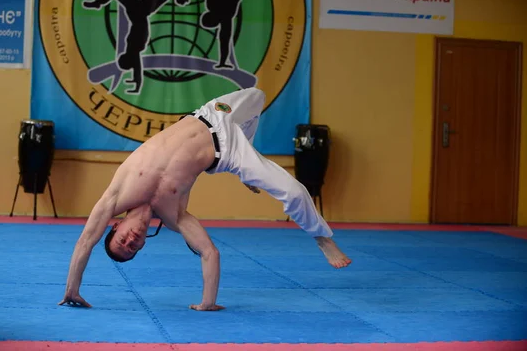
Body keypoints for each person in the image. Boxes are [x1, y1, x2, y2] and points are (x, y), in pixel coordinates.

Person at [58, 87, 352, 311]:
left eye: (122, 241)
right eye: (133, 248)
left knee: (258, 94)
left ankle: (250, 171)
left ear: (114, 227)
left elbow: (85, 240)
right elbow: (210, 252)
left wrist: (72, 289)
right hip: (228, 154)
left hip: (212, 114)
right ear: (143, 244)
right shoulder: (174, 216)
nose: (131, 241)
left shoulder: (115, 194)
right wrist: (207, 303)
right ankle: (321, 237)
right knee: (294, 191)